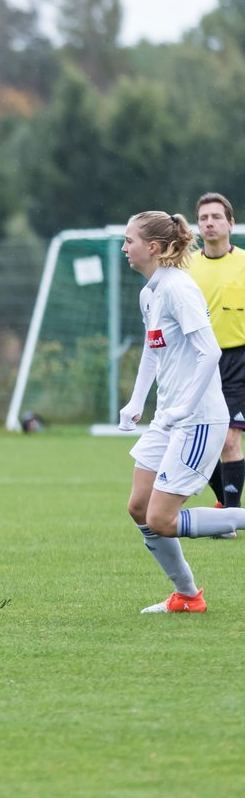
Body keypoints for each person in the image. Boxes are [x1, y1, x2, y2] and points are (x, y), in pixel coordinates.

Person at [118, 211, 245, 614]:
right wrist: (137, 402)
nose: (124, 248)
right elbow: (153, 352)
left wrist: (185, 407)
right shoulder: (150, 293)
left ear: (152, 248)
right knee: (139, 507)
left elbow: (209, 352)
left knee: (161, 519)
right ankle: (188, 597)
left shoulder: (178, 289)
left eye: (129, 241)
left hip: (199, 419)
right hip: (169, 419)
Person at [185, 192, 244, 537]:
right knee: (201, 442)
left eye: (216, 217)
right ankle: (226, 504)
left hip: (237, 360)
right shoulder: (187, 266)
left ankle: (230, 520)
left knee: (229, 441)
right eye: (204, 217)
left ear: (230, 224)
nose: (209, 222)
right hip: (196, 361)